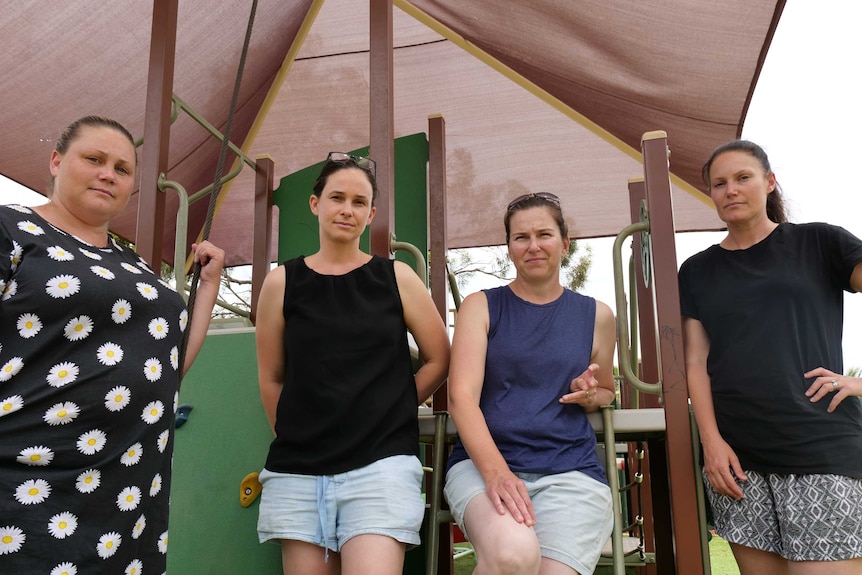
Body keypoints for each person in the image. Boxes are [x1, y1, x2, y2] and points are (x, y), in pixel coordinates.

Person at [0, 116, 225, 572]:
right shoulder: (12, 228)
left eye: (122, 169)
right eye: (95, 159)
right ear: (57, 161)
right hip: (31, 486)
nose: (109, 173)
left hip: (127, 497)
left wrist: (208, 290)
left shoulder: (134, 264)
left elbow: (167, 365)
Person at [254, 151, 450, 574]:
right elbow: (270, 377)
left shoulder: (397, 278)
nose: (347, 209)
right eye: (337, 197)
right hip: (299, 472)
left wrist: (395, 405)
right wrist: (295, 430)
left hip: (380, 468)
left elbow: (439, 358)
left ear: (372, 213)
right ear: (315, 203)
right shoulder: (281, 282)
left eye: (359, 202)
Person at [679, 140, 862, 574]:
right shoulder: (697, 270)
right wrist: (711, 444)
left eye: (743, 178)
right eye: (719, 184)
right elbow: (695, 362)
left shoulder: (818, 241)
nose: (731, 190)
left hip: (821, 448)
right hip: (739, 460)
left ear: (769, 182)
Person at [444, 192, 616, 575]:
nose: (533, 246)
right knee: (512, 555)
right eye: (521, 237)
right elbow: (461, 399)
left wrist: (590, 394)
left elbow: (605, 390)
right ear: (509, 247)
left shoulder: (598, 316)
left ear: (564, 243)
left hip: (570, 470)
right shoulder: (481, 306)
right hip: (483, 464)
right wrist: (497, 474)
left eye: (544, 234)